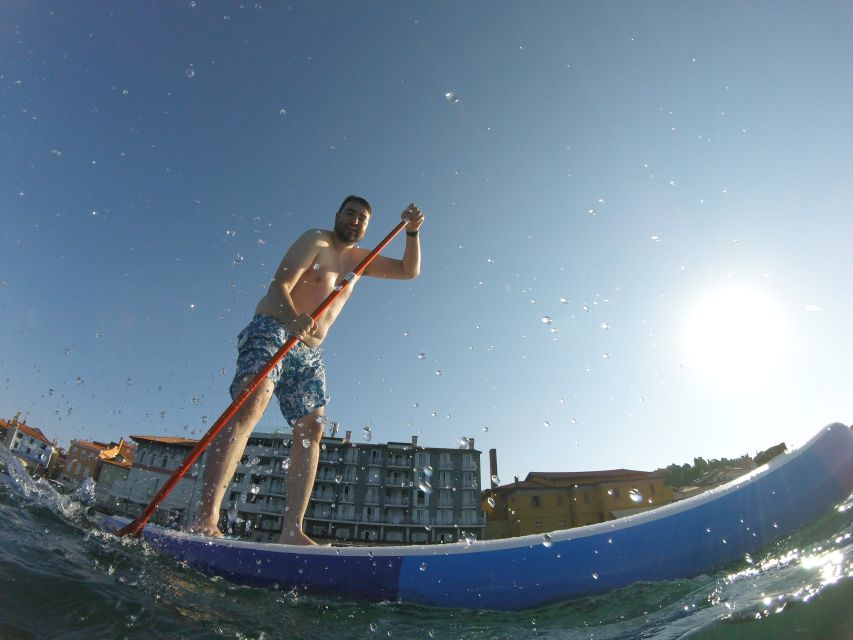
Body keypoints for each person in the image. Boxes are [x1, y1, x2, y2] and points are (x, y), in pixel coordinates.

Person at [190, 196, 424, 545]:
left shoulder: (361, 261)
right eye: (350, 213)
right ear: (337, 215)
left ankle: (291, 530)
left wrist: (412, 233)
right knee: (253, 403)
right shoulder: (316, 239)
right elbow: (279, 286)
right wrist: (291, 318)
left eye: (362, 218)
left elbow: (409, 271)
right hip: (273, 325)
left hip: (309, 350)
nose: (355, 221)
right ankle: (205, 518)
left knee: (312, 428)